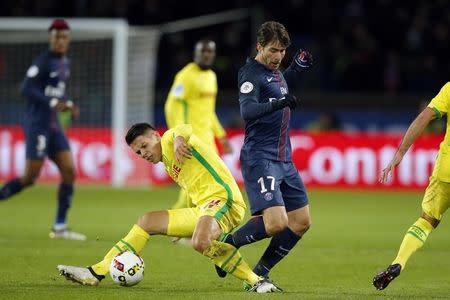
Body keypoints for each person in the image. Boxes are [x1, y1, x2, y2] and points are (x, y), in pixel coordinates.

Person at [57, 123, 281, 293]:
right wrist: (181, 222)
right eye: (138, 153)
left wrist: (178, 140)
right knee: (147, 221)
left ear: (156, 135)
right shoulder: (166, 161)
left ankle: (256, 281)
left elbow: (183, 128)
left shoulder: (170, 141)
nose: (143, 153)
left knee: (200, 242)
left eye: (144, 146)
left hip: (225, 201)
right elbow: (193, 189)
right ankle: (96, 272)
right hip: (204, 208)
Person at [214, 21, 313, 289]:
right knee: (277, 223)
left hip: (284, 159)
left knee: (301, 221)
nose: (278, 56)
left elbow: (279, 84)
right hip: (261, 159)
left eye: (282, 51)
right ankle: (226, 245)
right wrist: (280, 102)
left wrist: (296, 69)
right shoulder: (250, 74)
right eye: (273, 50)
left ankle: (259, 272)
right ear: (259, 47)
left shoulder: (275, 71)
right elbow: (248, 111)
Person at [0, 19, 85, 241]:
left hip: (54, 126)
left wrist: (69, 104)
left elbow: (57, 93)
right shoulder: (43, 61)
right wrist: (51, 103)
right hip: (37, 124)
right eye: (56, 36)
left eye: (64, 37)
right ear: (51, 39)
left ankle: (60, 226)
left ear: (68, 40)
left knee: (69, 171)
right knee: (30, 177)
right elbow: (26, 88)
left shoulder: (65, 63)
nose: (60, 41)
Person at [373, 82, 450, 290]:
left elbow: (425, 116)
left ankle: (399, 262)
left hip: (446, 169)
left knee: (426, 221)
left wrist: (400, 153)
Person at [164, 39, 232, 210]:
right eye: (203, 52)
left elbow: (209, 111)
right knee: (195, 180)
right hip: (191, 138)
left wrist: (221, 135)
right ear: (196, 53)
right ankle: (178, 221)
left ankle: (183, 221)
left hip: (207, 138)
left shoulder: (211, 77)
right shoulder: (185, 76)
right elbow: (172, 105)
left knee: (207, 181)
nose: (207, 55)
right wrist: (178, 136)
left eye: (210, 52)